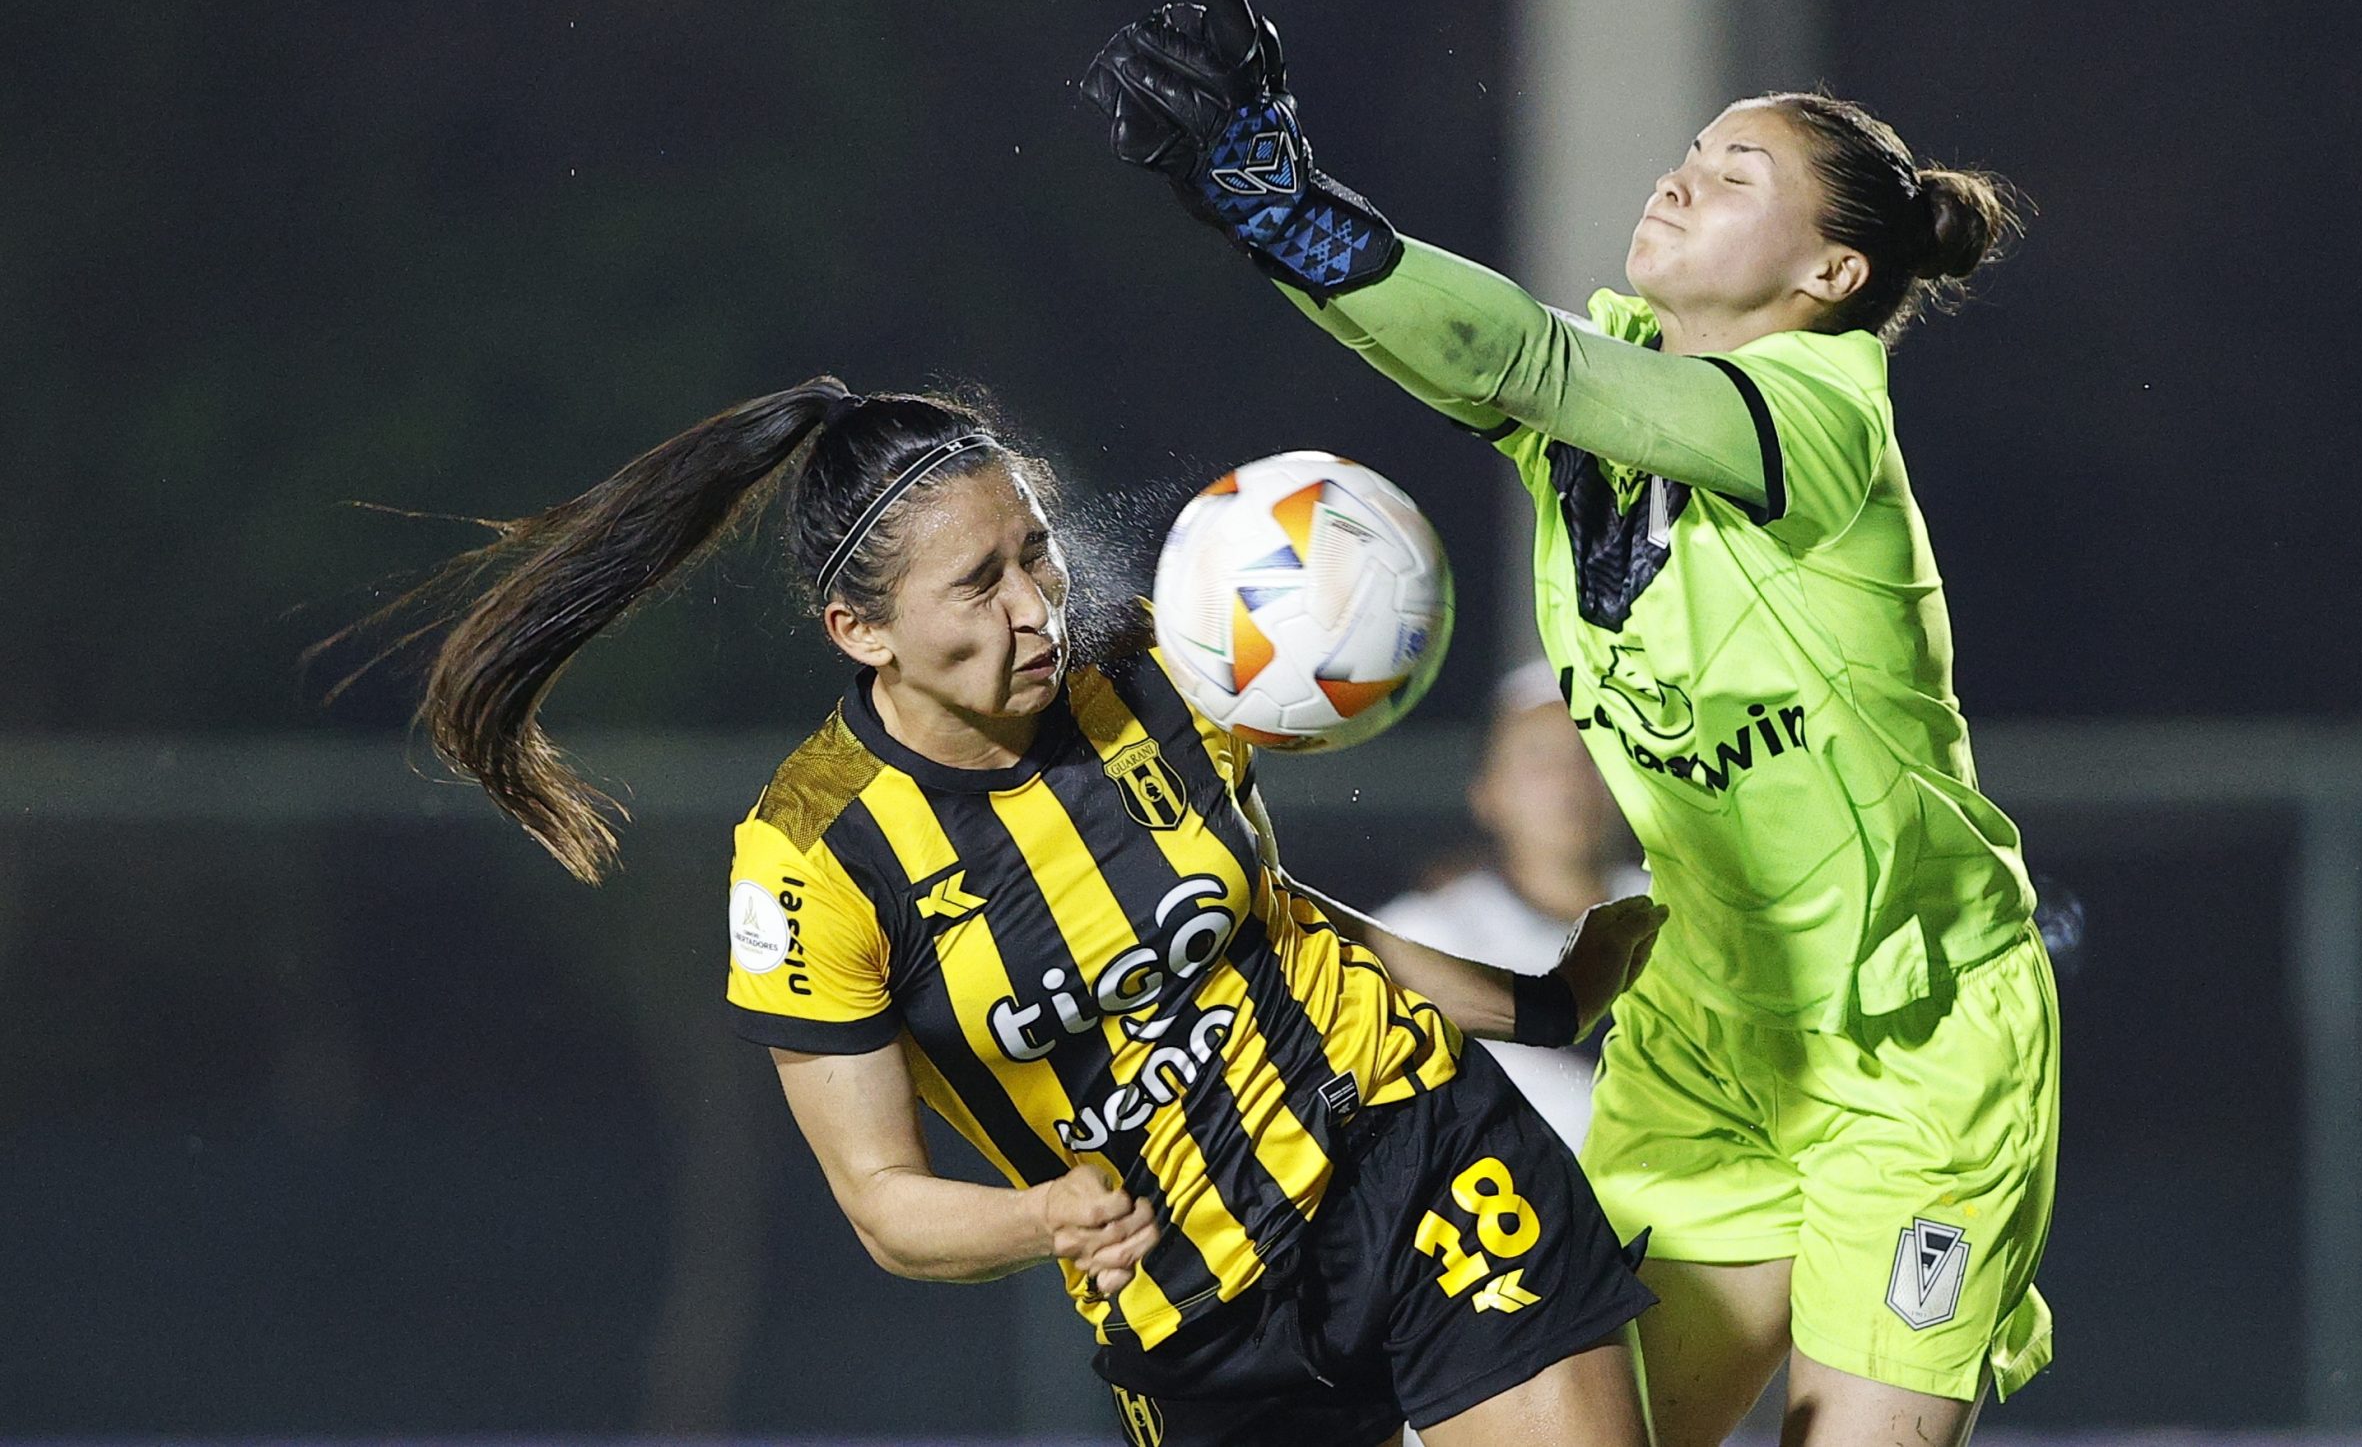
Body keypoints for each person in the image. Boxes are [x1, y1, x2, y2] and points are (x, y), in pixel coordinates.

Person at [1085, 0, 2060, 1447]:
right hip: (1711, 1026)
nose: (1683, 173)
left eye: (1741, 174)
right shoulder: (1605, 399)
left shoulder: (1818, 415)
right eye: (1691, 149)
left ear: (1834, 276)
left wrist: (1298, 207)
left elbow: (1516, 356)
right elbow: (1443, 347)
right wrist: (1260, 221)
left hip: (1916, 1043)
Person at [381, 380, 1668, 1446]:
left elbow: (1269, 921)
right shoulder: (812, 859)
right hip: (1194, 1310)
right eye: (978, 583)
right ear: (859, 631)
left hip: (1411, 1153)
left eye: (1036, 549)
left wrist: (1541, 1004)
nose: (1034, 605)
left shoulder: (1147, 665)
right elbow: (884, 1201)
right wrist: (1041, 1215)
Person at [1373, 662, 1647, 1151]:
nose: (1569, 782)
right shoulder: (1420, 936)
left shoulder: (1690, 921)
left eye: (1591, 754)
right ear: (1486, 791)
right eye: (1539, 759)